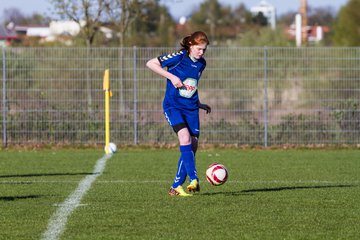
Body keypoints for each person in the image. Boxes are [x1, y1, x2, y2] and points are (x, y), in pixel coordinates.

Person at [146, 31, 211, 197]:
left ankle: (176, 186)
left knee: (192, 145)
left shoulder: (201, 64)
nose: (201, 52)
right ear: (190, 45)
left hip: (191, 109)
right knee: (184, 138)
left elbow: (192, 85)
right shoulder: (179, 57)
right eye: (198, 49)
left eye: (204, 49)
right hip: (173, 106)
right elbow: (151, 63)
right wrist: (171, 76)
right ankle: (194, 179)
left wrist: (199, 104)